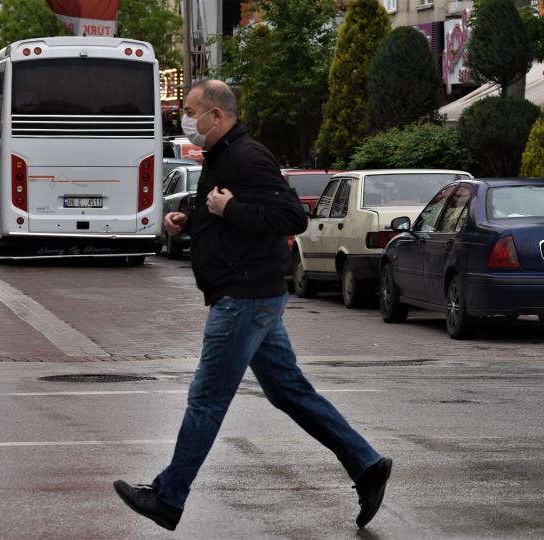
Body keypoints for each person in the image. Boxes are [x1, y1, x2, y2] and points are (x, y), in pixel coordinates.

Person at [113, 80, 392, 532]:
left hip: (245, 297)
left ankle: (168, 497)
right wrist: (193, 219)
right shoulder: (221, 157)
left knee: (206, 399)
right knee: (289, 392)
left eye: (190, 110)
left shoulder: (249, 157)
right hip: (250, 294)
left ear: (216, 116)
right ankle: (366, 464)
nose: (186, 119)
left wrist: (230, 210)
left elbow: (291, 217)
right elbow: (227, 212)